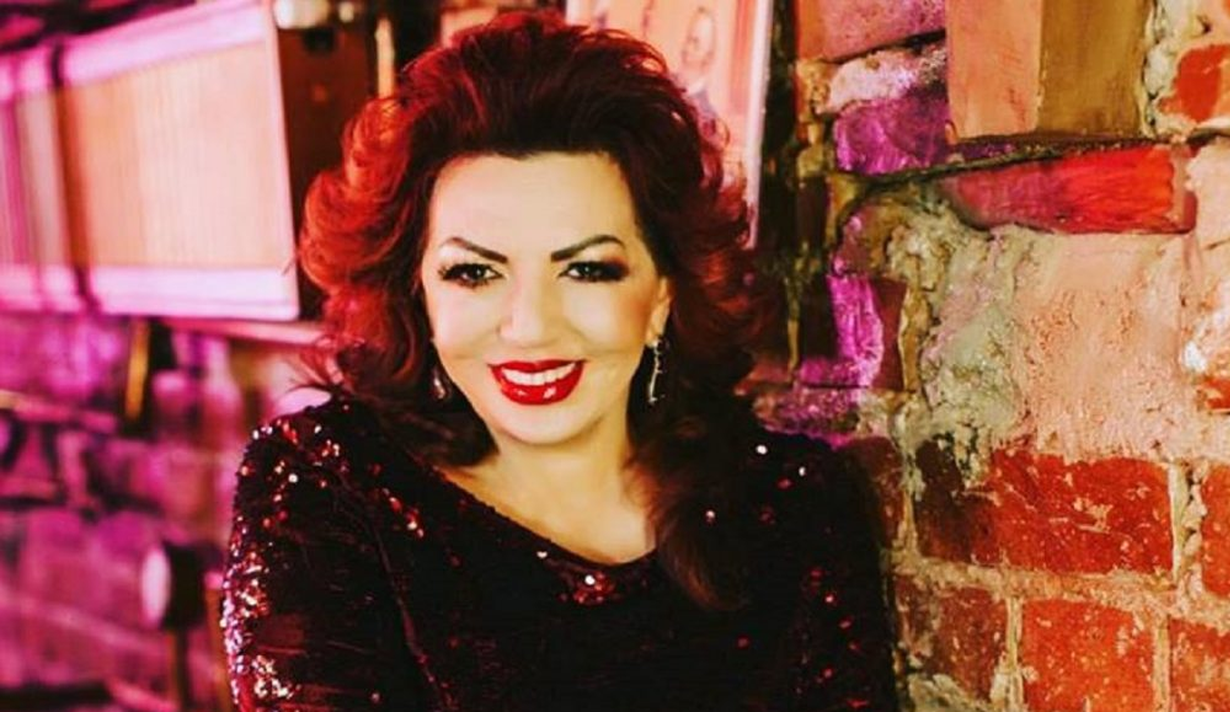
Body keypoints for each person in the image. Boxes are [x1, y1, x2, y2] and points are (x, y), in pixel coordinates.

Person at [219, 11, 897, 712]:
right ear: (417, 296)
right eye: (475, 273)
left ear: (662, 295)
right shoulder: (333, 487)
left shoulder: (792, 508)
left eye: (587, 270)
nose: (531, 327)